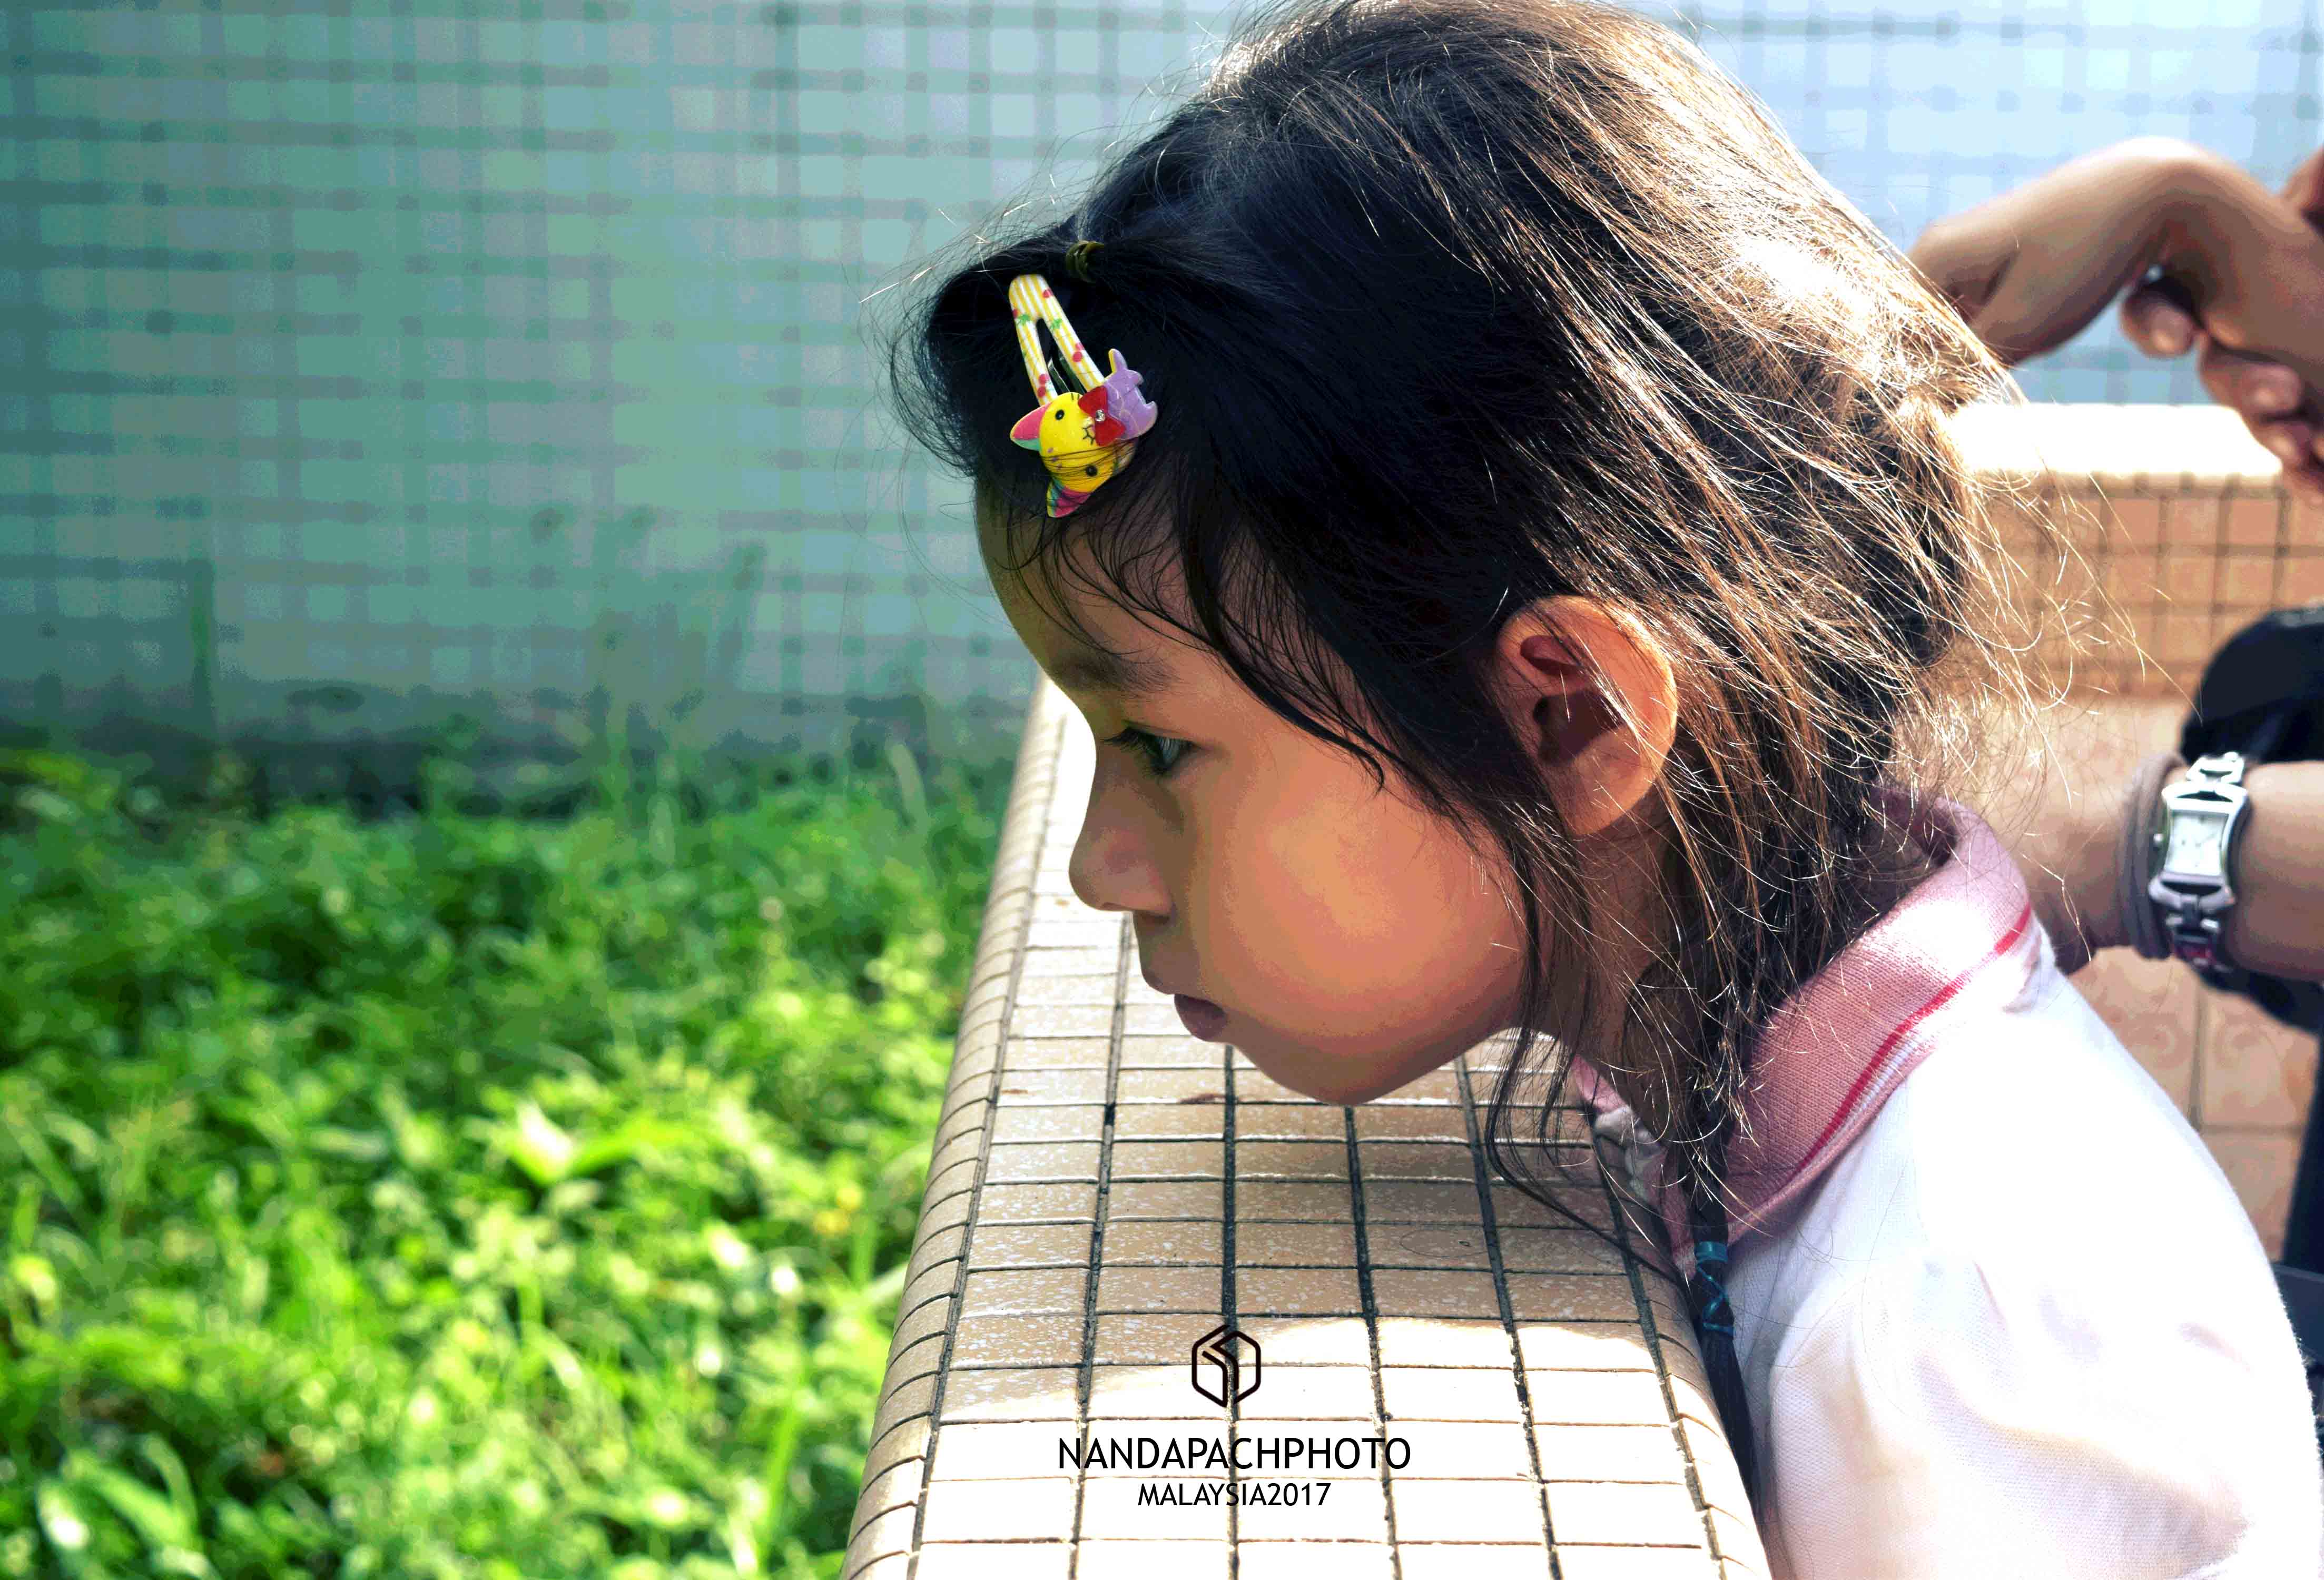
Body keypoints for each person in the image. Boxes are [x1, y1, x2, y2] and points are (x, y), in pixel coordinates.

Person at [890, 1, 2324, 1572]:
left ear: (1569, 715)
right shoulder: (1712, 1054)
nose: (1101, 867)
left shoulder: (1973, 1331)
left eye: (1158, 747)